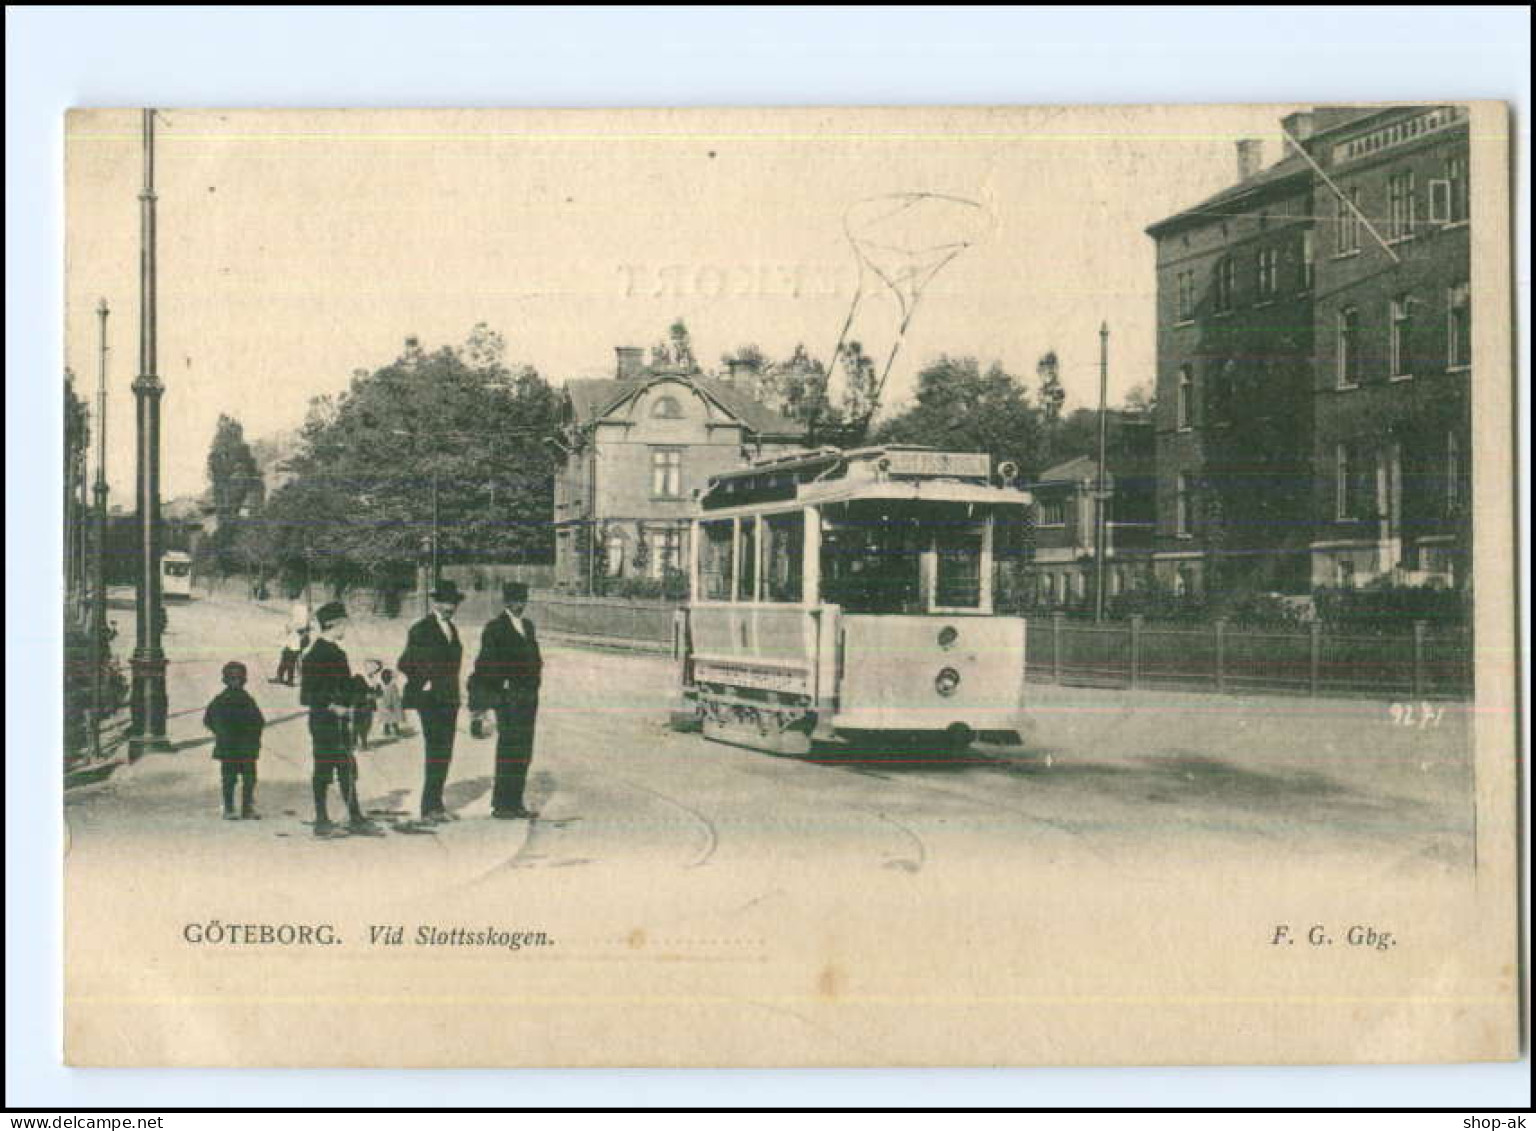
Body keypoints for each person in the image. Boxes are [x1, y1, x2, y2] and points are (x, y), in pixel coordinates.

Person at [469, 580, 543, 819]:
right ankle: (502, 804)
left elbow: (536, 660)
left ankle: (516, 802)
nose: (519, 605)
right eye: (514, 601)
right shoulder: (495, 628)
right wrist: (497, 695)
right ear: (506, 602)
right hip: (509, 699)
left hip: (528, 698)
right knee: (509, 749)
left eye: (522, 600)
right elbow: (486, 665)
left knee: (524, 750)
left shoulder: (528, 627)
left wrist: (533, 685)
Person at [300, 601, 375, 836]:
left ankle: (354, 816)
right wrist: (333, 706)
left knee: (346, 768)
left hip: (341, 722)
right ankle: (322, 821)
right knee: (323, 769)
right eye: (344, 625)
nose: (346, 629)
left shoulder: (338, 653)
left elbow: (343, 686)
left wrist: (363, 683)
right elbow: (307, 695)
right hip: (324, 722)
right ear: (333, 625)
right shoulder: (315, 654)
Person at [398, 580, 466, 822]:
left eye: (453, 603)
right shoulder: (421, 629)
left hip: (449, 700)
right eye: (446, 602)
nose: (450, 607)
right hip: (431, 701)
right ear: (436, 603)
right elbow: (405, 662)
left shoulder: (452, 629)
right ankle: (429, 807)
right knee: (435, 751)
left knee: (445, 751)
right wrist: (424, 682)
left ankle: (437, 805)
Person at [202, 660, 265, 820]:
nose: (236, 681)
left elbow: (208, 720)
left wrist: (220, 733)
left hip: (231, 746)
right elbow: (259, 720)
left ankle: (235, 808)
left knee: (233, 778)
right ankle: (241, 808)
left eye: (238, 678)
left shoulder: (221, 699)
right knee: (244, 778)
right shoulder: (244, 699)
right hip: (243, 746)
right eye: (234, 679)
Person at [275, 603, 310, 686]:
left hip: (296, 643)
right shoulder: (299, 620)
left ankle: (290, 680)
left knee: (291, 660)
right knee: (285, 656)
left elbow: (296, 629)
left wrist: (290, 627)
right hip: (292, 642)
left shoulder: (301, 622)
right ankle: (280, 677)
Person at [377, 667, 405, 738]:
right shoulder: (382, 686)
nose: (386, 679)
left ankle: (395, 730)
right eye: (384, 677)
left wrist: (392, 703)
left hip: (393, 704)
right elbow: (380, 696)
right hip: (385, 705)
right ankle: (387, 730)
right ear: (382, 678)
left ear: (390, 677)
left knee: (393, 718)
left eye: (387, 677)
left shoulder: (392, 686)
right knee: (386, 719)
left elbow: (395, 696)